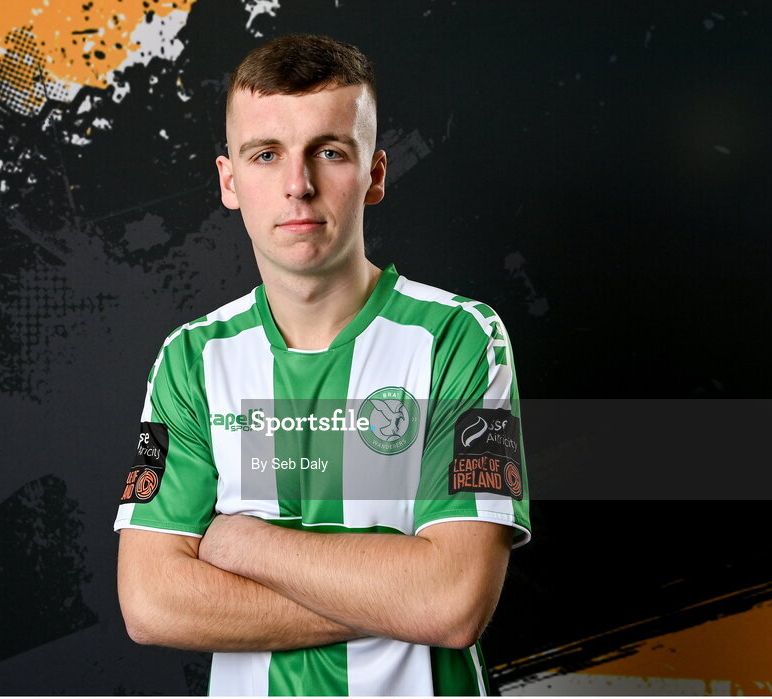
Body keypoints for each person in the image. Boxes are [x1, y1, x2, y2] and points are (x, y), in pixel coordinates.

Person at [115, 34, 530, 696]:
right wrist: (396, 597)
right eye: (266, 154)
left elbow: (453, 602)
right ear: (230, 180)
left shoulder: (459, 338)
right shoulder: (192, 359)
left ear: (375, 174)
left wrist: (241, 544)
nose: (297, 185)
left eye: (329, 152)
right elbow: (150, 601)